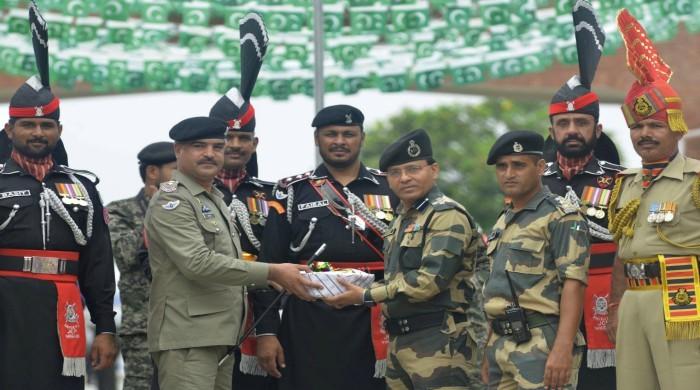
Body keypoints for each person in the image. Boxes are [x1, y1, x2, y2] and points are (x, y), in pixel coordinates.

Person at [144, 116, 319, 390]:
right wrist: (273, 272)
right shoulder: (173, 199)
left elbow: (227, 263)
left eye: (217, 146)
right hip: (189, 338)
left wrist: (275, 276)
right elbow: (198, 263)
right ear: (178, 150)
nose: (210, 154)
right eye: (199, 146)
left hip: (218, 335)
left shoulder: (212, 198)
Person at [0, 3, 118, 389]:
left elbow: (98, 264)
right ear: (10, 128)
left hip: (63, 307)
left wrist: (105, 328)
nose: (38, 132)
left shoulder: (82, 187)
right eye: (28, 125)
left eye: (46, 125)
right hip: (6, 303)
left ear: (59, 129)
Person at [325, 128, 484, 389]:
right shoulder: (403, 219)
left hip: (441, 342)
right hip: (401, 341)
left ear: (434, 170)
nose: (405, 178)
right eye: (395, 173)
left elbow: (428, 282)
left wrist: (364, 295)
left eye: (413, 169)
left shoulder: (446, 215)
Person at [256, 104, 394, 390]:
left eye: (348, 134)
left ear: (362, 137)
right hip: (310, 316)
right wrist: (267, 332)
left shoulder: (389, 186)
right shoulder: (290, 190)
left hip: (376, 312)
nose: (340, 141)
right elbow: (269, 265)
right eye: (331, 134)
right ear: (317, 139)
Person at [606, 10, 700, 390]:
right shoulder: (625, 184)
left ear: (675, 128)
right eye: (638, 127)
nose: (645, 133)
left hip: (681, 298)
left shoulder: (696, 178)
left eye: (655, 125)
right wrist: (614, 307)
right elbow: (621, 249)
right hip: (633, 301)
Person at [542, 1, 620, 387]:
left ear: (597, 129)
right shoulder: (533, 184)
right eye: (563, 123)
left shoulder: (620, 182)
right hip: (543, 314)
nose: (572, 129)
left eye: (581, 122)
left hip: (605, 316)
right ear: (552, 129)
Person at [482, 131, 590, 390]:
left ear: (540, 167)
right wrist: (485, 347)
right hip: (499, 342)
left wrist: (563, 348)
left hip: (541, 342)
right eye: (502, 166)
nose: (509, 173)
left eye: (519, 165)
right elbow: (493, 287)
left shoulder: (562, 217)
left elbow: (574, 285)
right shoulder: (504, 219)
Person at [208, 12, 278, 387]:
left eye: (242, 139)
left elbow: (281, 262)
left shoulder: (276, 196)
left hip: (262, 323)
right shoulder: (186, 192)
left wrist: (270, 328)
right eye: (226, 138)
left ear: (254, 144)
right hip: (201, 317)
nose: (234, 146)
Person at [107, 141, 176, 389]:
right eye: (175, 168)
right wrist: (158, 213)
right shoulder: (120, 210)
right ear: (153, 172)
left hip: (187, 326)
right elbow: (125, 255)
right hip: (142, 330)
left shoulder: (190, 208)